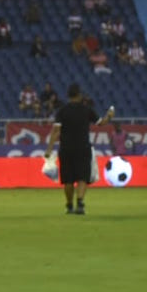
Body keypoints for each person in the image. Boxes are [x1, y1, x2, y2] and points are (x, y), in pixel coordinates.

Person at [44, 83, 113, 215]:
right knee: (82, 177)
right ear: (79, 95)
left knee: (68, 180)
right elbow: (102, 123)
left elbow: (55, 131)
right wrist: (109, 115)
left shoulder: (62, 111)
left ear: (68, 95)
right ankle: (80, 203)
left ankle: (69, 205)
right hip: (82, 147)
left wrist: (49, 149)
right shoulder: (86, 109)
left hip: (66, 148)